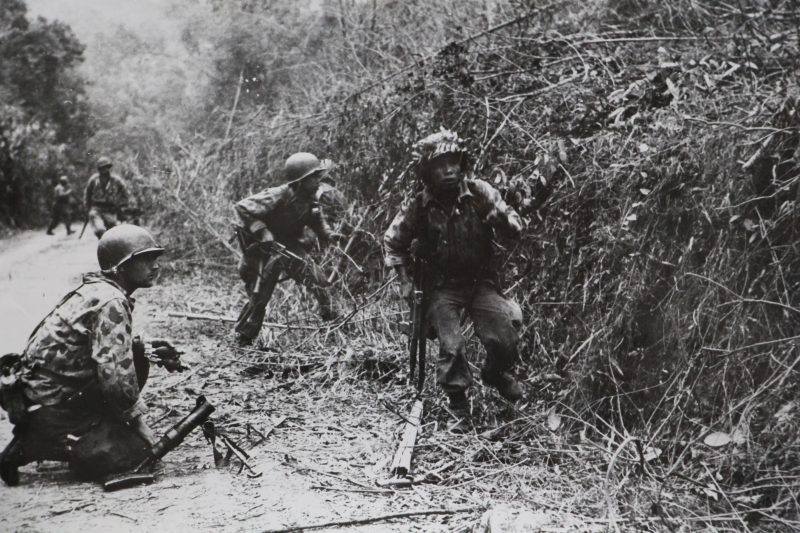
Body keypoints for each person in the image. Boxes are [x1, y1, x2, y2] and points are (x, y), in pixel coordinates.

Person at [0, 225, 185, 485]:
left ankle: (67, 431)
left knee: (138, 351)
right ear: (120, 267)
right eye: (144, 259)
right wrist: (142, 429)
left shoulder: (98, 290)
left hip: (40, 395)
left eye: (155, 258)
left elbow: (96, 350)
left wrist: (143, 346)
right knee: (135, 454)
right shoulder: (111, 301)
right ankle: (36, 443)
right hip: (50, 405)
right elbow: (115, 379)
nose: (155, 266)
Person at [383, 130, 525, 433]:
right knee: (452, 346)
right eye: (440, 165)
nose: (448, 170)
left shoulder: (480, 192)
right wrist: (404, 281)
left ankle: (496, 374)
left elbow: (513, 221)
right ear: (428, 171)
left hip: (480, 282)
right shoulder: (418, 206)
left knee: (505, 335)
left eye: (453, 163)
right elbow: (394, 242)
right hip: (442, 287)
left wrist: (504, 221)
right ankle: (458, 404)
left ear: (462, 165)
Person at [233, 152, 342, 346]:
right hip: (263, 252)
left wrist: (329, 234)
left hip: (290, 247)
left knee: (320, 282)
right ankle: (243, 338)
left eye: (318, 176)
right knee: (259, 297)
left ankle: (334, 329)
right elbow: (242, 207)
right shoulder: (278, 194)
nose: (318, 181)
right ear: (300, 181)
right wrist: (263, 231)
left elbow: (317, 221)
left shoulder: (310, 198)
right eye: (313, 177)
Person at [84, 156, 130, 239]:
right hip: (96, 209)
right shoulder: (94, 180)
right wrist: (87, 209)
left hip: (111, 210)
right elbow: (87, 194)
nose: (105, 170)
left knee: (114, 233)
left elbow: (125, 193)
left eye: (107, 167)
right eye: (102, 168)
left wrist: (121, 205)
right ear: (99, 169)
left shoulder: (116, 180)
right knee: (100, 230)